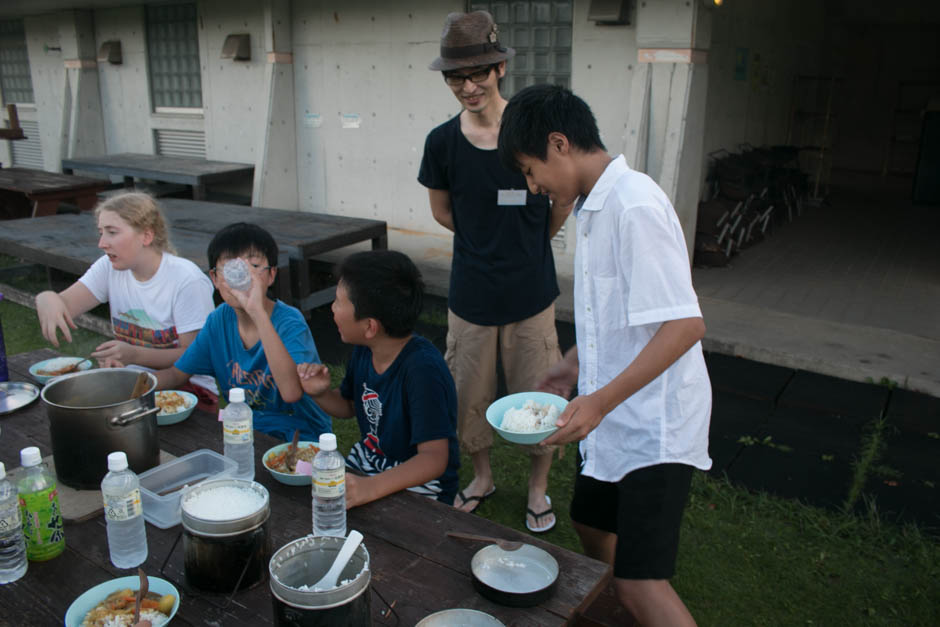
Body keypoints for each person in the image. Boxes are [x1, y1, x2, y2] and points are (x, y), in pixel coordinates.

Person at [498, 84, 712, 627]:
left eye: (529, 169)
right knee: (590, 521)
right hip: (615, 413)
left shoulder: (633, 204)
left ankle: (639, 602)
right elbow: (620, 315)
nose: (533, 185)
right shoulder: (591, 205)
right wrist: (573, 364)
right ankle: (629, 610)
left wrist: (597, 403)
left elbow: (684, 324)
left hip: (654, 426)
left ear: (560, 143)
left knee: (643, 581)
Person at [418, 10, 569, 532]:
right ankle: (481, 477)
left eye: (477, 73)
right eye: (455, 77)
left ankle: (537, 489)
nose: (467, 86)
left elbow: (560, 201)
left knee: (541, 401)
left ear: (500, 67)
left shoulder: (532, 131)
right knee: (470, 397)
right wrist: (483, 241)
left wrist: (525, 246)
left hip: (532, 294)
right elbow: (441, 211)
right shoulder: (442, 142)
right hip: (472, 296)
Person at [297, 250, 460, 508]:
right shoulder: (365, 350)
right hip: (371, 460)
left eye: (339, 302)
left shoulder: (423, 371)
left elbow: (434, 459)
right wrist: (321, 394)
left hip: (421, 479)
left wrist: (370, 487)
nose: (332, 308)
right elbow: (350, 405)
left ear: (370, 327)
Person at [155, 222, 331, 442]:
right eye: (232, 270)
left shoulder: (290, 322)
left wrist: (256, 310)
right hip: (244, 430)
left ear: (271, 275)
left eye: (254, 267)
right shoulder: (218, 321)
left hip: (300, 435)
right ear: (215, 278)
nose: (243, 279)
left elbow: (291, 392)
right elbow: (176, 374)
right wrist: (130, 386)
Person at [34, 192, 216, 399]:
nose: (102, 243)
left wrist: (134, 354)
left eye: (112, 232)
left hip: (188, 392)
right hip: (129, 384)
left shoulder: (186, 280)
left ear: (147, 236)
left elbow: (195, 356)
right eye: (101, 232)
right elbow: (64, 304)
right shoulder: (108, 267)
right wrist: (47, 298)